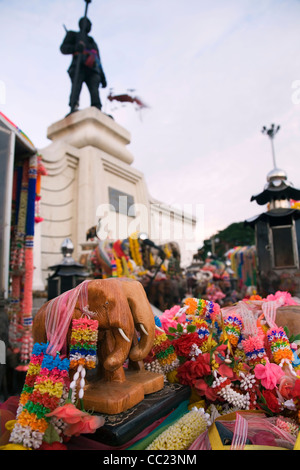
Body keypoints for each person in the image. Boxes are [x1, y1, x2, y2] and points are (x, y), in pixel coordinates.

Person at [60, 17, 107, 113]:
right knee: (76, 87)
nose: (90, 26)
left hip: (92, 68)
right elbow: (63, 48)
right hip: (78, 65)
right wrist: (75, 47)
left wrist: (103, 77)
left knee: (95, 90)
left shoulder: (92, 41)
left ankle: (97, 109)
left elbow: (98, 60)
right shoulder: (73, 35)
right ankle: (73, 107)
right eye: (88, 23)